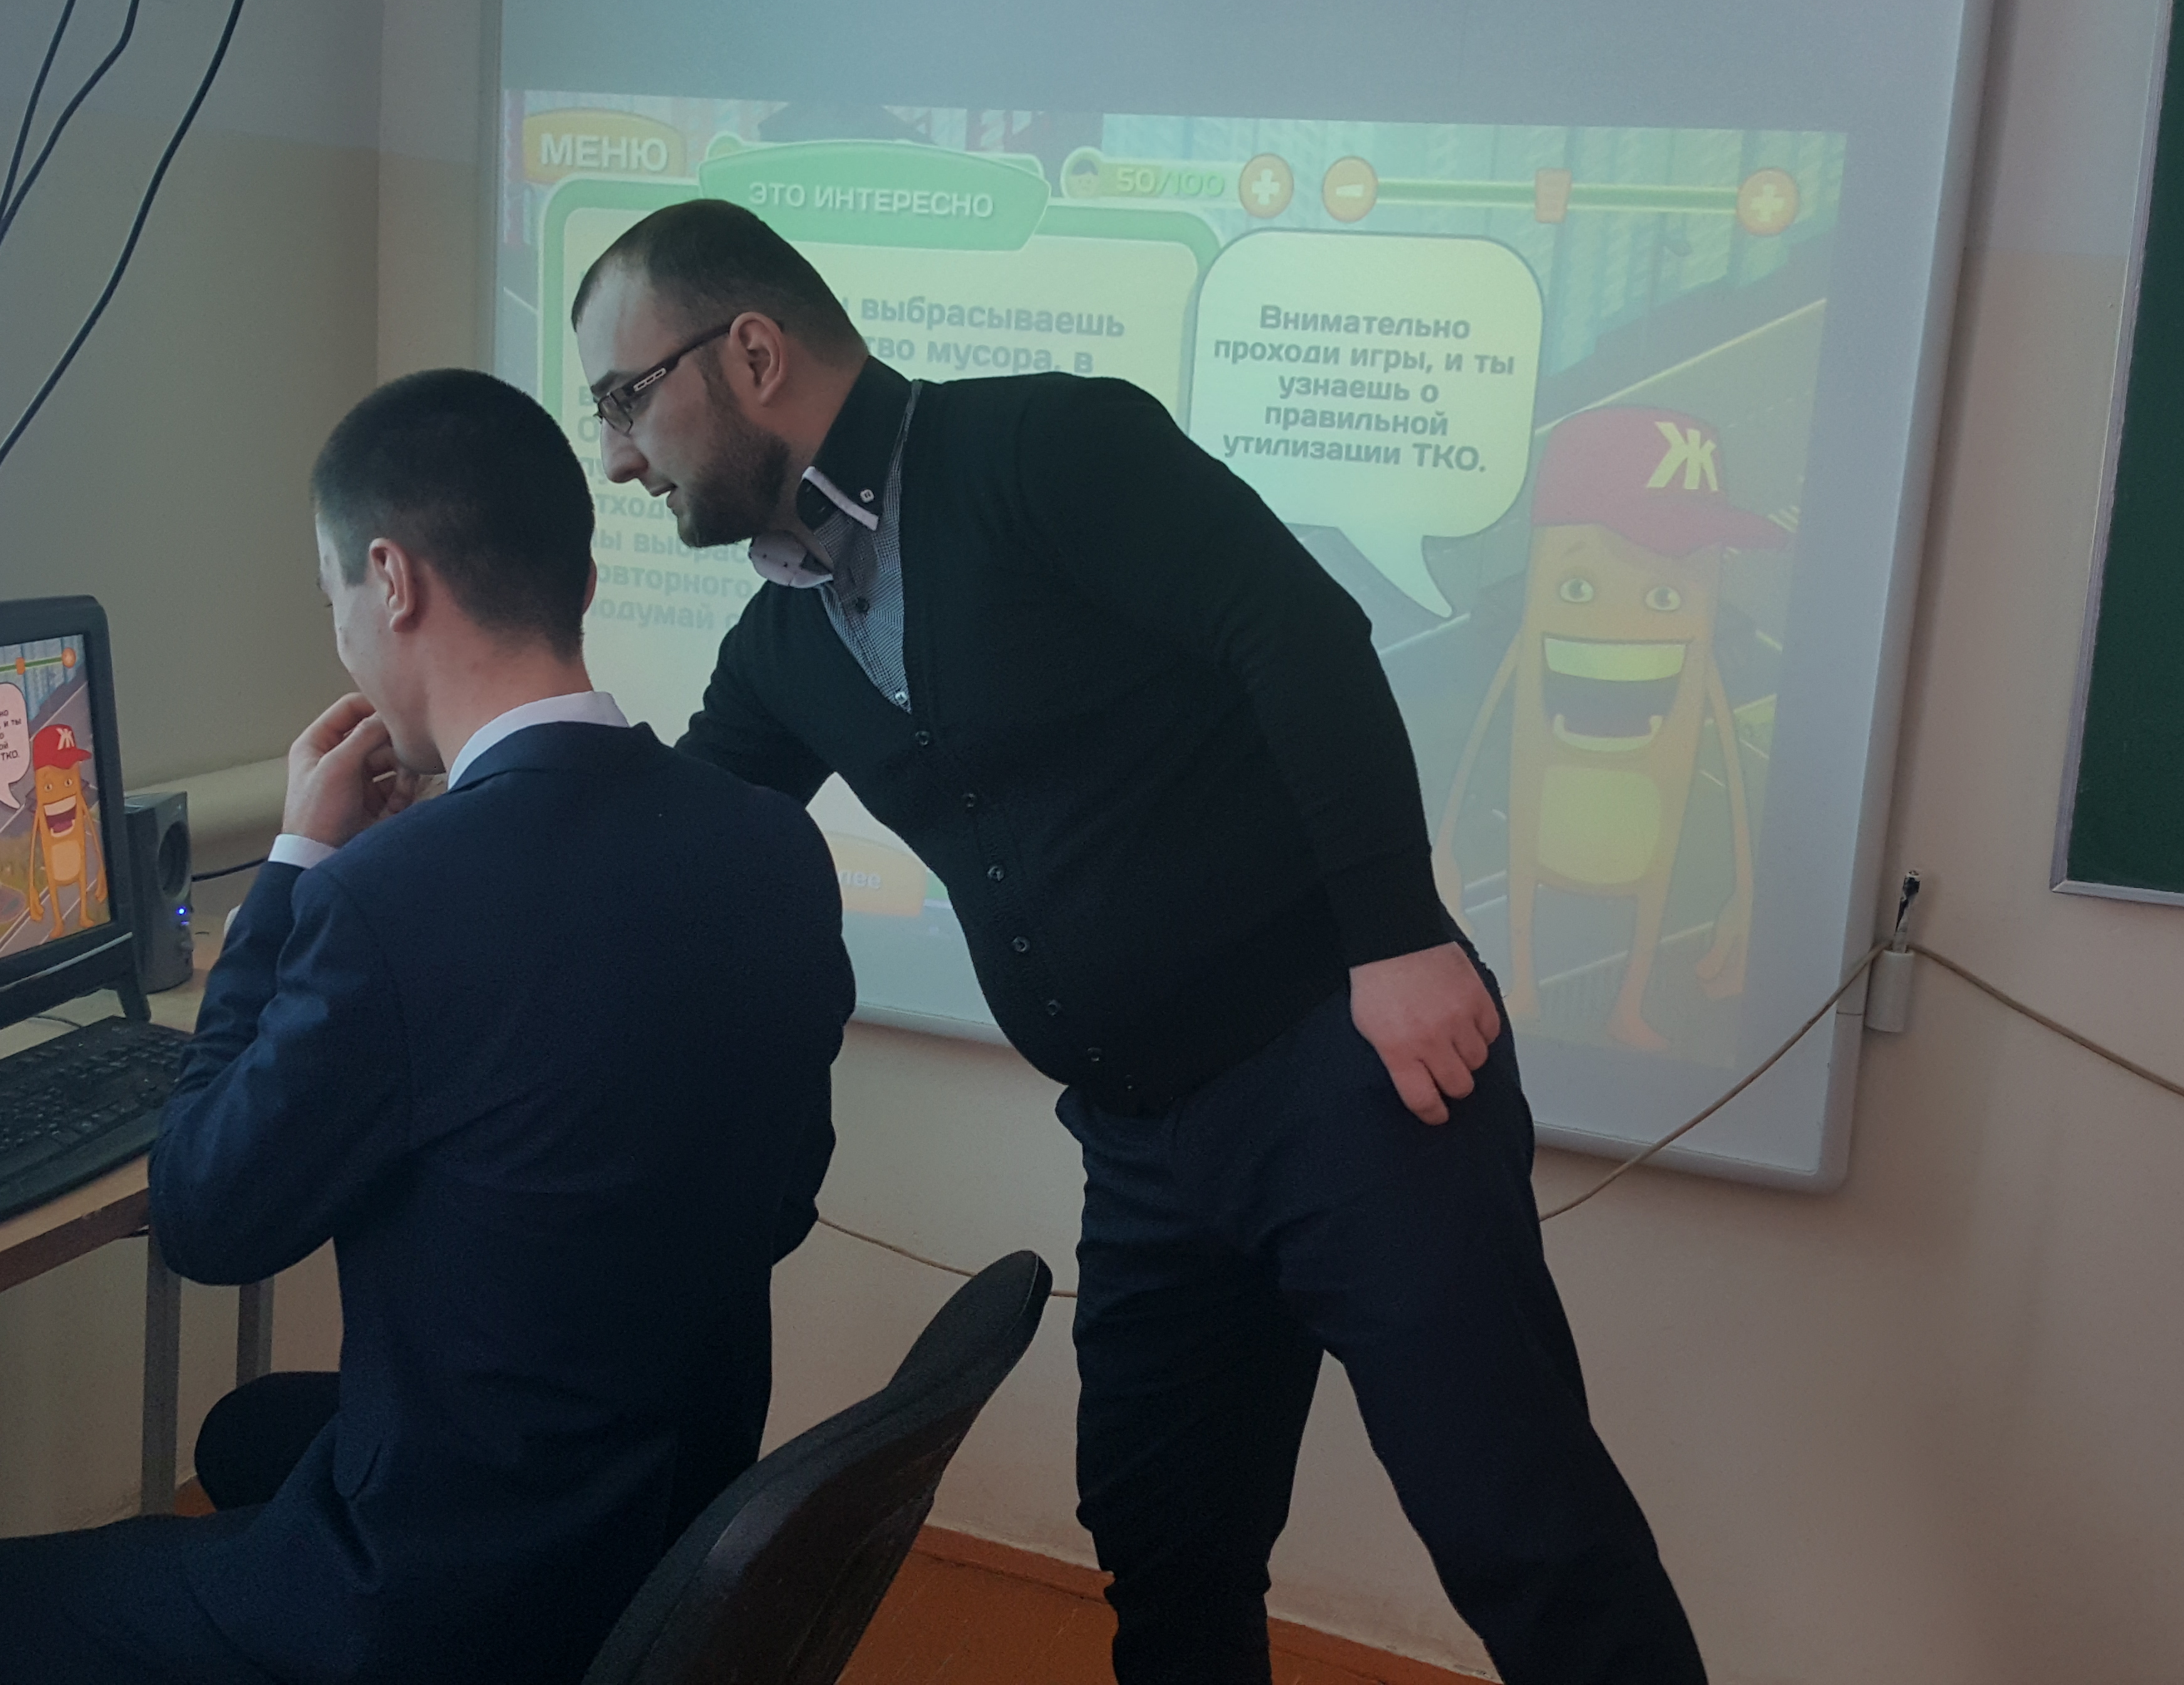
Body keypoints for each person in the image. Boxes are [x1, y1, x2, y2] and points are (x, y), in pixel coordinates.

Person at [570, 199, 1707, 1685]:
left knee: (1526, 1533)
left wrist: (1397, 938)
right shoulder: (785, 640)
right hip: (1144, 1149)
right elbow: (686, 834)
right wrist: (478, 787)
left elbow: (1294, 631)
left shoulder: (1044, 449)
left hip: (1345, 1078)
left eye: (625, 398)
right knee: (1165, 1544)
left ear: (754, 353)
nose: (619, 456)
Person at [0, 368, 853, 1685]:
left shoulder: (394, 899)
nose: (345, 643)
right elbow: (782, 1200)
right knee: (248, 1432)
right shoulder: (768, 844)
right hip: (662, 1531)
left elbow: (204, 1217)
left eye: (335, 604)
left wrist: (298, 864)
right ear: (583, 582)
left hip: (438, 1606)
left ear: (391, 580)